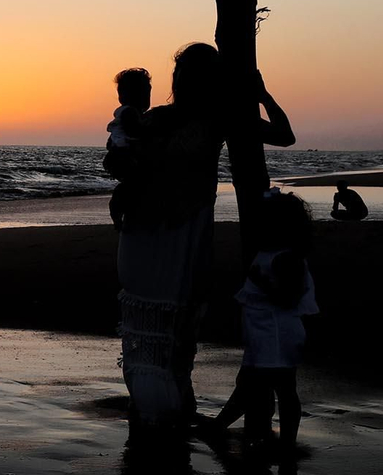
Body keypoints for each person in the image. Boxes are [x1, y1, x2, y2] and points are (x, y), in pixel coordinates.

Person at [117, 45, 296, 431]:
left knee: (178, 325)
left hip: (186, 230)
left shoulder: (221, 120)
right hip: (143, 232)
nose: (179, 79)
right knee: (148, 327)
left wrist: (262, 95)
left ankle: (171, 406)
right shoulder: (156, 118)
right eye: (177, 71)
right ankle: (150, 405)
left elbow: (285, 135)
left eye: (187, 72)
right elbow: (127, 163)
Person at [200, 191, 318, 456]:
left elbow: (288, 299)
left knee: (276, 388)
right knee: (256, 383)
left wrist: (262, 282)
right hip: (265, 333)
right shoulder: (272, 254)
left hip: (276, 334)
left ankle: (284, 440)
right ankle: (221, 425)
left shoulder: (285, 258)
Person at [103, 67, 152, 229]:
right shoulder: (129, 112)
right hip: (123, 154)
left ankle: (119, 210)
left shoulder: (132, 112)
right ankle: (117, 209)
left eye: (148, 91)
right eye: (144, 91)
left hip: (121, 153)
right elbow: (135, 132)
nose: (147, 96)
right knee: (134, 183)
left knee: (132, 184)